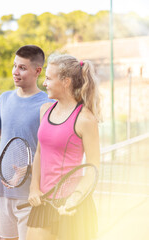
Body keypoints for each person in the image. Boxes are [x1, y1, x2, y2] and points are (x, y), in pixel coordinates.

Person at [0, 45, 54, 240]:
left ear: (37, 71)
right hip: (3, 190)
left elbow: (50, 150)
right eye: (14, 66)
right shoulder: (4, 98)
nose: (15, 72)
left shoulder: (48, 104)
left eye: (22, 68)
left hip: (31, 194)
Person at [26, 54, 101, 240]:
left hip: (72, 206)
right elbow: (40, 153)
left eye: (49, 78)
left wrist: (75, 197)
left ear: (66, 81)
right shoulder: (45, 110)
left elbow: (93, 167)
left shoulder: (85, 119)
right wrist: (34, 188)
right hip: (43, 203)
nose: (44, 83)